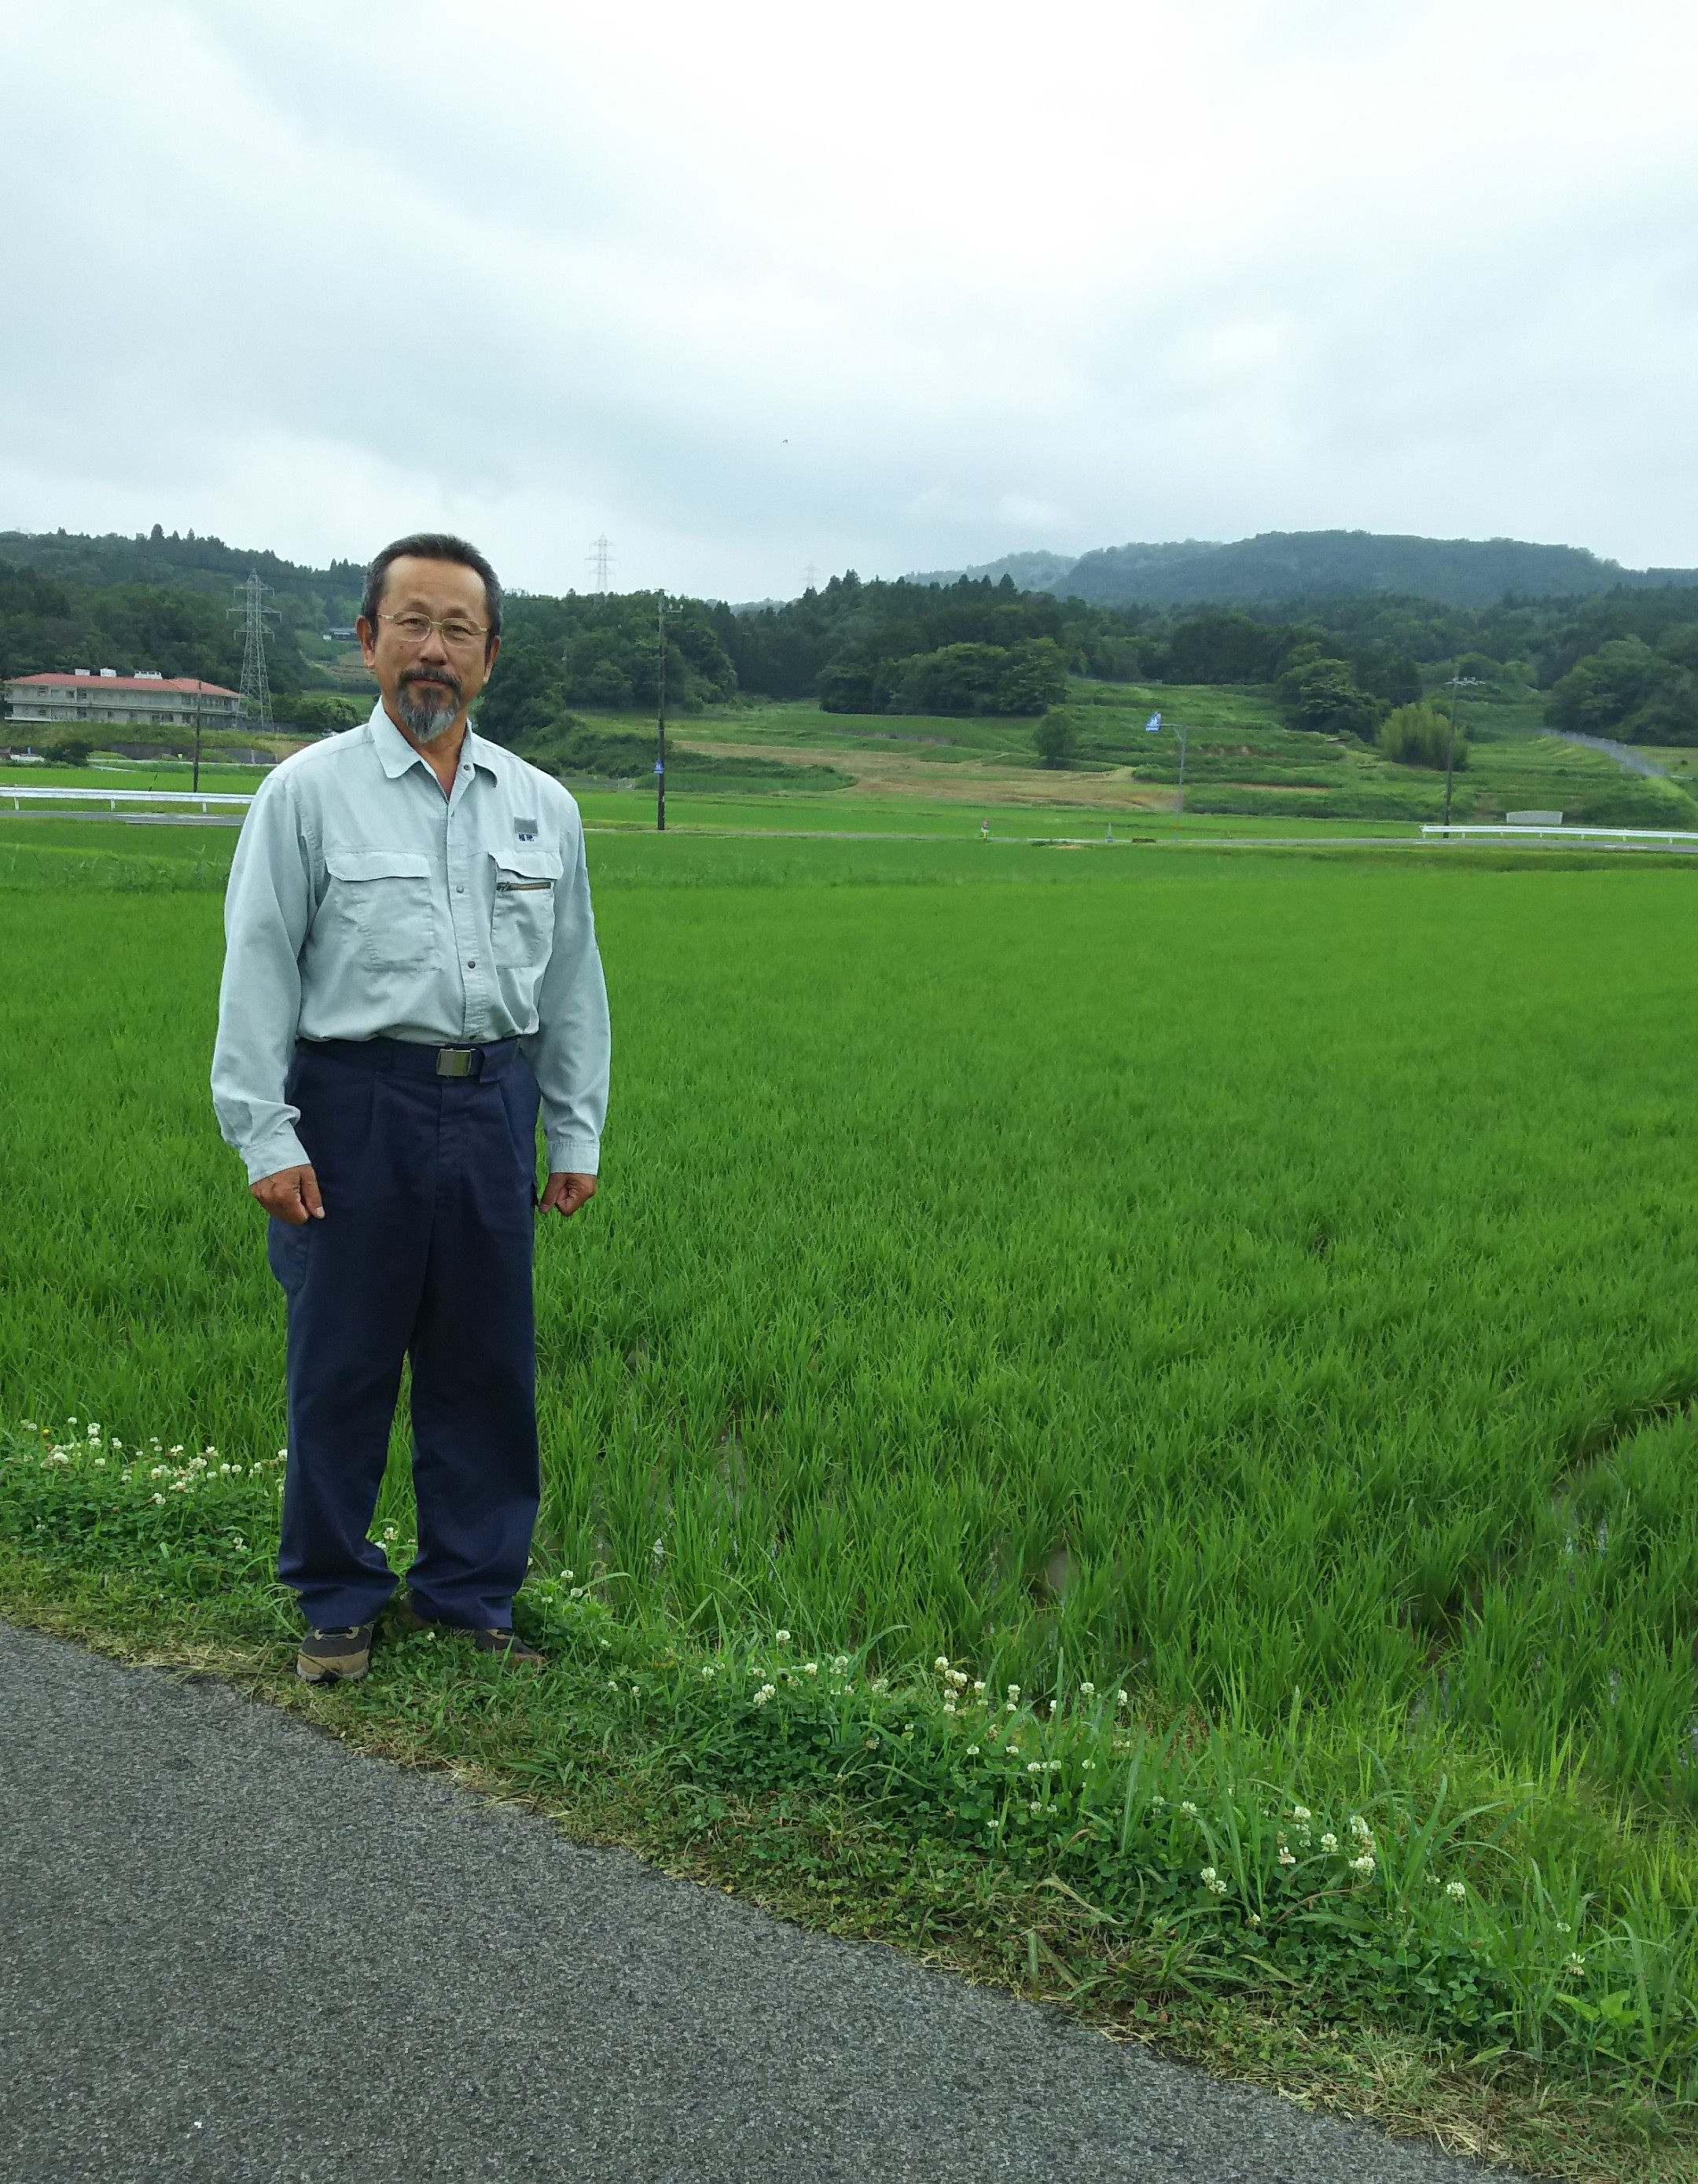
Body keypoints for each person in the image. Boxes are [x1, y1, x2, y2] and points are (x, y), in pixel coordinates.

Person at [211, 533, 610, 1684]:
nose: (433, 652)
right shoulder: (307, 792)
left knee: (485, 1365)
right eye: (412, 626)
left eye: (459, 631)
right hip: (352, 1106)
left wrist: (572, 1128)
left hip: (494, 1102)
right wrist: (263, 1131)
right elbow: (258, 968)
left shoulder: (543, 806)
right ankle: (336, 1596)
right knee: (341, 1362)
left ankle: (468, 1594)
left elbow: (574, 984)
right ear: (368, 641)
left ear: (491, 655)